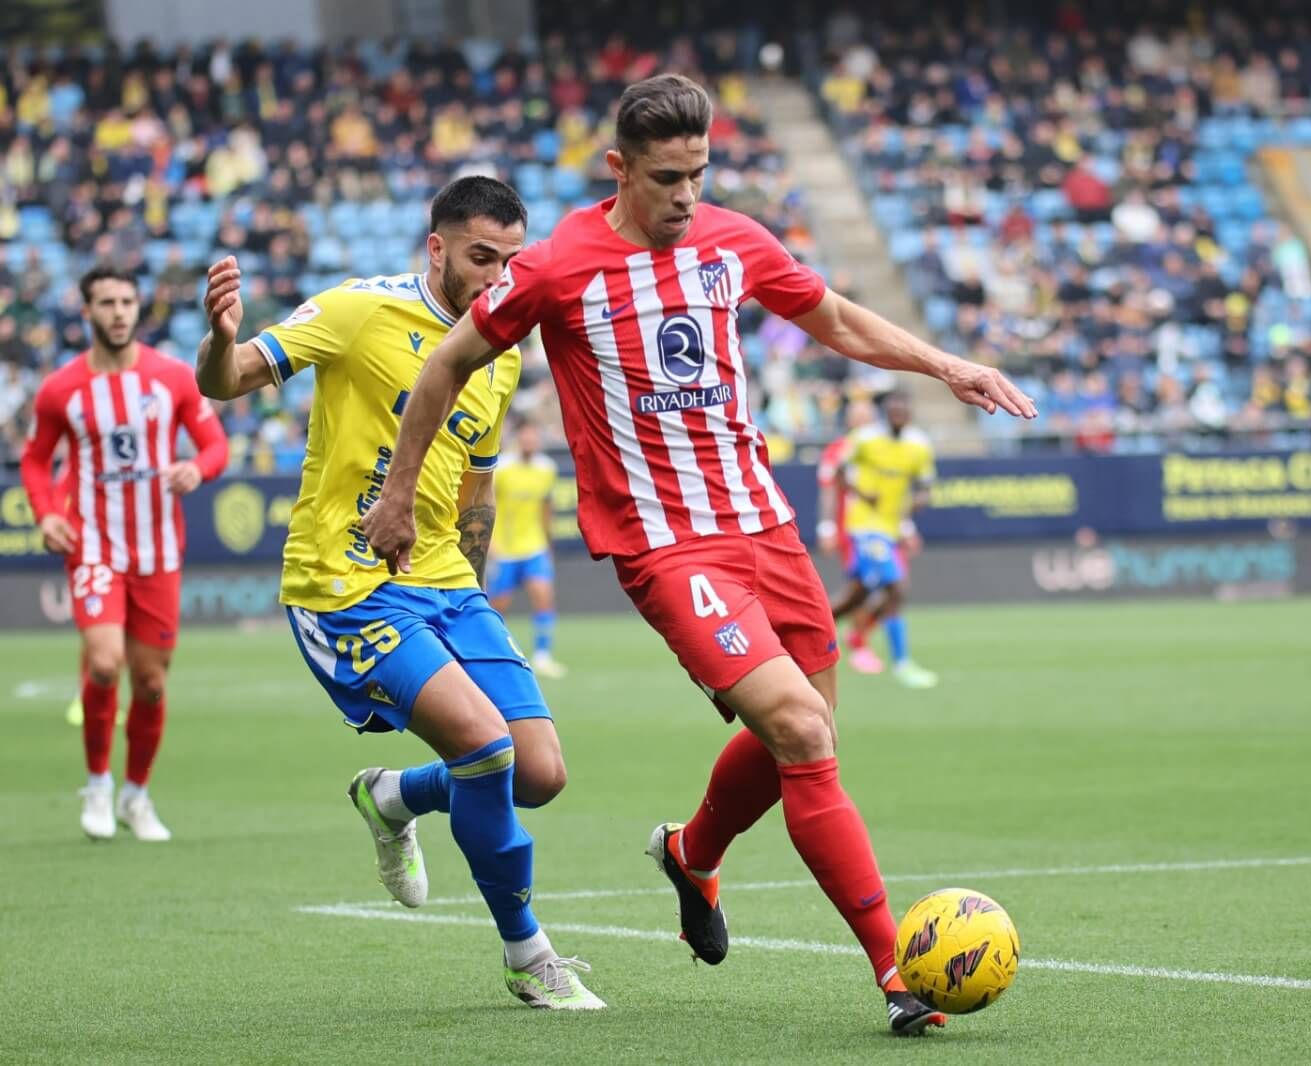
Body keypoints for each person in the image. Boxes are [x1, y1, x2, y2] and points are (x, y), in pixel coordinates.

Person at [359, 74, 1035, 1036]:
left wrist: (949, 365)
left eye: (700, 173)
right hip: (667, 546)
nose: (686, 195)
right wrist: (398, 492)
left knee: (808, 735)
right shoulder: (557, 267)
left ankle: (692, 850)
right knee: (800, 731)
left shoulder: (733, 240)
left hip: (764, 523)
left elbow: (833, 317)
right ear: (620, 169)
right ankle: (898, 973)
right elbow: (446, 363)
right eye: (669, 177)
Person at [194, 176, 603, 1010]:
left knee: (541, 772)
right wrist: (219, 337)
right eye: (481, 258)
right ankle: (529, 957)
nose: (497, 278)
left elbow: (476, 490)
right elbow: (227, 380)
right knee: (487, 750)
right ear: (437, 248)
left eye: (510, 261)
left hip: (447, 586)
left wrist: (472, 606)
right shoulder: (357, 310)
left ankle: (394, 794)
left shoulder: (503, 347)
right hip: (346, 586)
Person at [21, 265, 229, 841]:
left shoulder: (172, 378)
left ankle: (136, 794)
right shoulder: (61, 388)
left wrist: (197, 467)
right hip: (92, 544)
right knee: (105, 662)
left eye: (127, 301)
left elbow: (215, 444)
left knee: (151, 683)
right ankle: (96, 784)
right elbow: (36, 460)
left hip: (158, 550)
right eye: (106, 302)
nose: (118, 312)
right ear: (86, 312)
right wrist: (47, 515)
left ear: (138, 309)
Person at [823, 391, 939, 688]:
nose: (898, 414)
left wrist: (917, 505)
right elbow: (838, 470)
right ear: (885, 413)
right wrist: (860, 494)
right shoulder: (865, 439)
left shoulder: (919, 445)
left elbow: (924, 484)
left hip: (890, 528)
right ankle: (902, 663)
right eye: (893, 410)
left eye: (903, 410)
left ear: (909, 414)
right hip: (863, 524)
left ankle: (817, 630)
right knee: (897, 586)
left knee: (858, 594)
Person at [487, 421, 566, 678]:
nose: (530, 442)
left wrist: (548, 542)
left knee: (544, 597)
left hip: (534, 547)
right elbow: (487, 501)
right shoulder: (502, 468)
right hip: (505, 549)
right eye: (526, 437)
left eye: (534, 437)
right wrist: (489, 542)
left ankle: (543, 656)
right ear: (518, 439)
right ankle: (493, 656)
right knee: (497, 607)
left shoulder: (547, 469)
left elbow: (545, 507)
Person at [815, 398, 880, 671]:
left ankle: (827, 630)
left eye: (867, 415)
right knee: (865, 584)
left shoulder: (882, 447)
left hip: (881, 527)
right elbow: (829, 488)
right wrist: (827, 526)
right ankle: (857, 644)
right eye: (858, 416)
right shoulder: (839, 450)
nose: (863, 420)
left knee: (886, 587)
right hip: (852, 528)